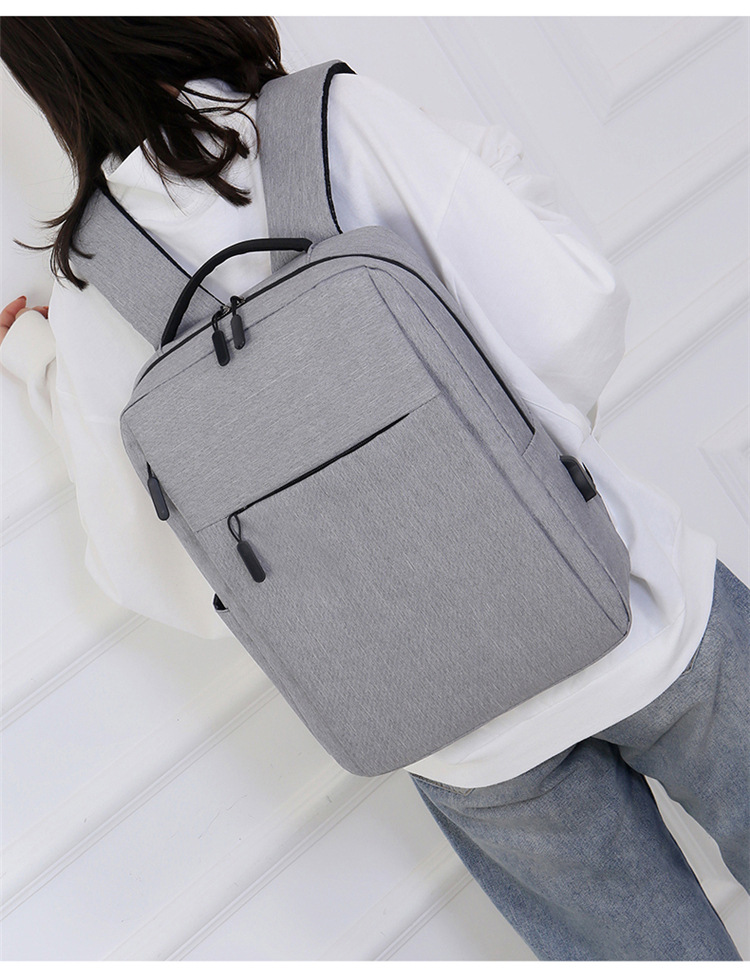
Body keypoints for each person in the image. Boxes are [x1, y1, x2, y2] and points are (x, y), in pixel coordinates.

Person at [1, 17, 747, 962]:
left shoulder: (94, 285)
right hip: (643, 605)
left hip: (460, 732)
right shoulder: (334, 119)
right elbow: (571, 319)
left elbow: (158, 573)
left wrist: (43, 367)